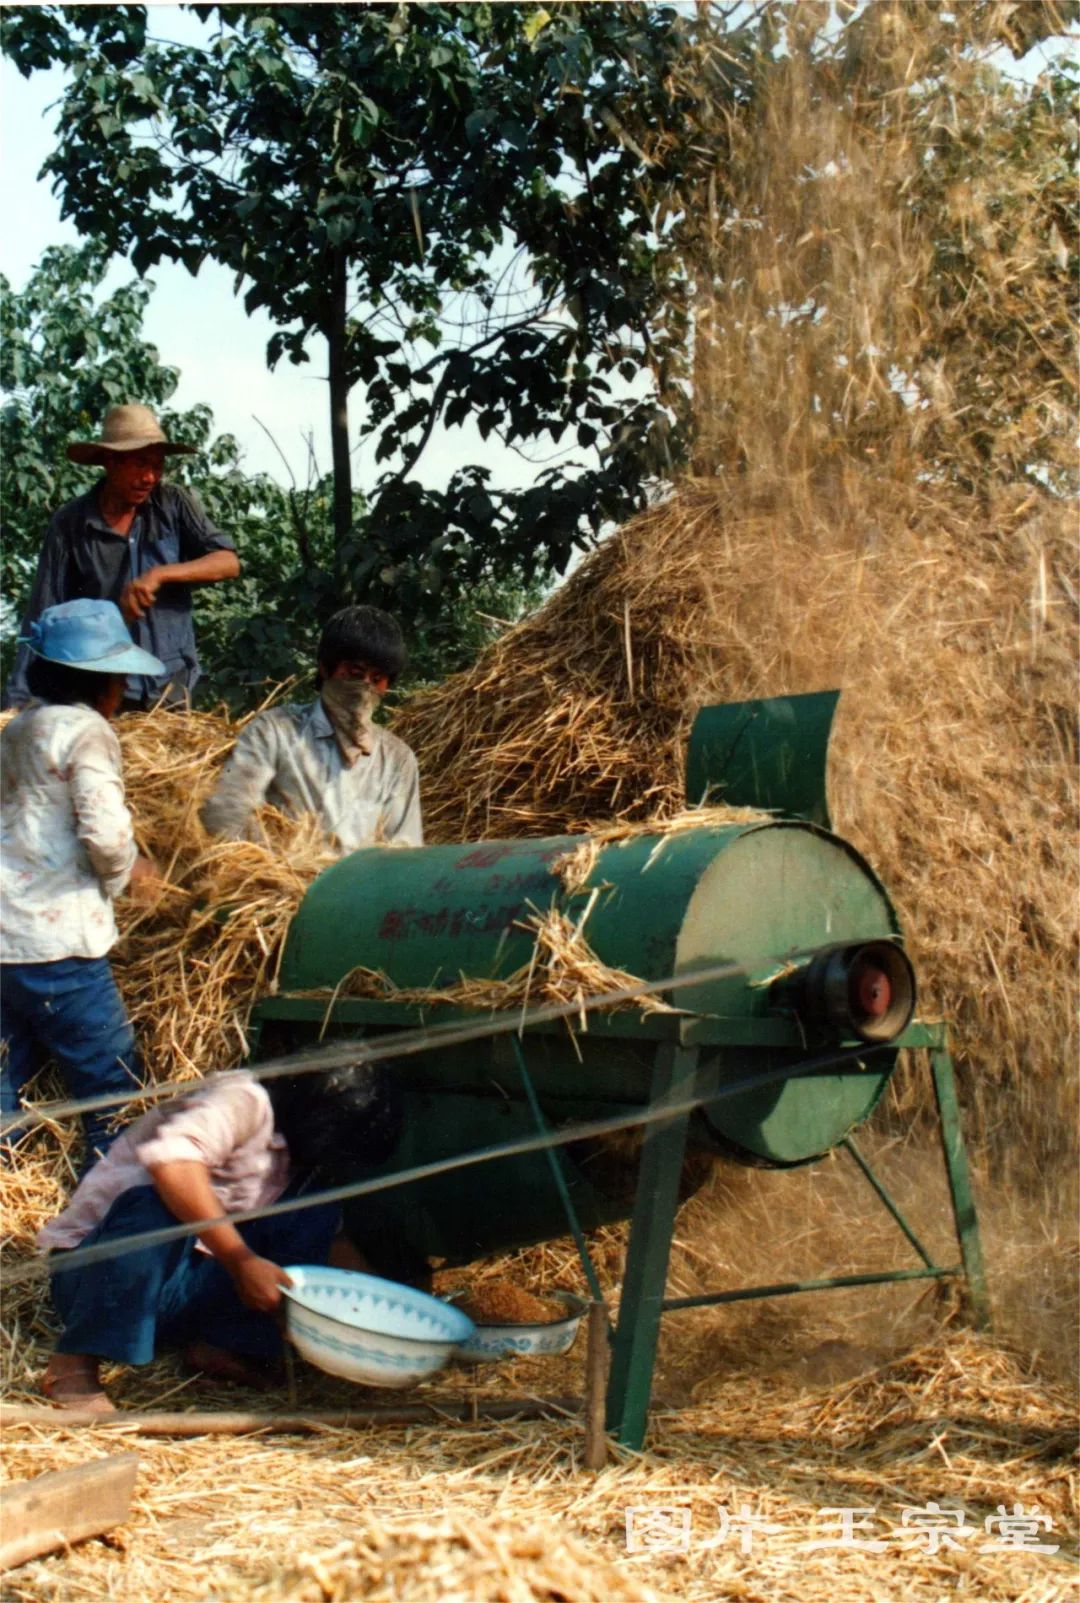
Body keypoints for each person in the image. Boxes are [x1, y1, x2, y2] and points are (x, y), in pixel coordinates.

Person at [38, 1061, 403, 1412]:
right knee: (157, 1207)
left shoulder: (301, 1157)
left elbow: (335, 1245)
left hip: (179, 1288)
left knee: (314, 1212)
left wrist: (375, 1327)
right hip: (96, 1279)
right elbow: (173, 1166)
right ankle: (72, 1367)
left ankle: (224, 1346)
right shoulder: (241, 1099)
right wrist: (241, 1261)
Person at [1, 599, 165, 1166]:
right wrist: (128, 873)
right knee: (113, 1087)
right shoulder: (88, 732)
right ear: (103, 684)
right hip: (60, 947)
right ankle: (105, 1212)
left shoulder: (17, 729)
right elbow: (104, 833)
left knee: (3, 1078)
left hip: (3, 939)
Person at [5, 403, 241, 710]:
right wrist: (17, 703)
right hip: (103, 696)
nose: (150, 477)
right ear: (110, 462)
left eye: (158, 466)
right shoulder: (71, 524)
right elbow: (43, 612)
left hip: (170, 689)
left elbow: (228, 562)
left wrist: (161, 574)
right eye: (140, 464)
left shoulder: (173, 505)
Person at [201, 605, 422, 851]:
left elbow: (405, 847)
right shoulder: (276, 730)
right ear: (325, 668)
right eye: (354, 673)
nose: (364, 686)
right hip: (282, 881)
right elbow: (227, 809)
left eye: (377, 679)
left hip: (360, 887)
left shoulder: (397, 759)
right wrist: (273, 868)